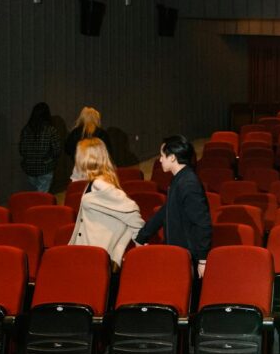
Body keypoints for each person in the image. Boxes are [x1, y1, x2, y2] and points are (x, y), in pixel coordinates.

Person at [135, 136, 212, 277]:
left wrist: (203, 260)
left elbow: (202, 223)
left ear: (172, 158)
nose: (160, 159)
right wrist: (142, 236)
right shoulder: (179, 179)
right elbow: (165, 211)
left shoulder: (188, 183)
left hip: (188, 255)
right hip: (179, 252)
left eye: (162, 155)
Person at [68, 138, 145, 267]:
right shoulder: (94, 182)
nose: (76, 160)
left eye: (78, 156)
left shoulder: (100, 184)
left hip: (96, 259)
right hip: (89, 254)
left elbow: (132, 214)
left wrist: (134, 250)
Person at [19, 102, 62, 192]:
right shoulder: (51, 130)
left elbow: (22, 150)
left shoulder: (26, 129)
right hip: (45, 167)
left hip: (29, 167)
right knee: (42, 195)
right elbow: (57, 150)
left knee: (34, 192)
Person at [64, 106, 112, 180]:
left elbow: (67, 149)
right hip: (98, 169)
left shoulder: (75, 133)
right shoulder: (102, 133)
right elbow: (108, 151)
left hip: (79, 168)